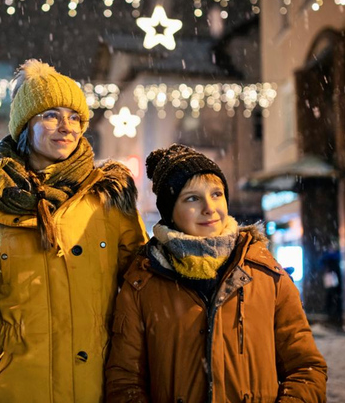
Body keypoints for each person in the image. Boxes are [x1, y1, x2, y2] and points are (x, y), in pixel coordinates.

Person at [0, 59, 148, 402]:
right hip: (13, 388)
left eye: (75, 117)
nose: (67, 126)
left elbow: (145, 292)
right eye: (51, 115)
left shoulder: (109, 197)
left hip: (96, 384)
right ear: (24, 126)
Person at [105, 144, 327, 403]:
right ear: (170, 213)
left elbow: (306, 369)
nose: (209, 208)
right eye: (192, 198)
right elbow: (125, 380)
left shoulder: (266, 274)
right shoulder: (142, 282)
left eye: (216, 194)